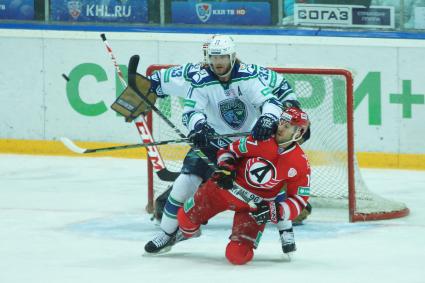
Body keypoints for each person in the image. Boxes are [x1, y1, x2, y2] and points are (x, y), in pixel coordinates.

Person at [144, 34, 288, 254]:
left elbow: (270, 102)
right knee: (183, 184)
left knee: (268, 184)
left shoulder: (248, 76)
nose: (218, 62)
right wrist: (199, 126)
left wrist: (268, 118)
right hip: (213, 144)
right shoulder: (201, 80)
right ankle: (166, 234)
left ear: (232, 56)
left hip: (246, 146)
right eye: (214, 57)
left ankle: (286, 233)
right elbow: (192, 111)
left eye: (223, 57)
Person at [177, 107, 311, 265]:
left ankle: (283, 231)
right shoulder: (261, 138)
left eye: (287, 126)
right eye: (282, 123)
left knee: (237, 256)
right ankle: (185, 231)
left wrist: (275, 211)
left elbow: (299, 200)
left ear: (299, 133)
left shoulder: (300, 164)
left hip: (253, 209)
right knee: (185, 222)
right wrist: (226, 168)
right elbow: (228, 151)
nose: (281, 127)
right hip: (223, 190)